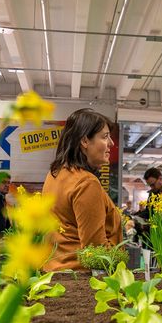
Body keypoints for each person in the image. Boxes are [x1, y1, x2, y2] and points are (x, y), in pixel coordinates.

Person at [42, 108, 123, 271]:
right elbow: (95, 252)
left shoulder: (55, 174)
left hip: (54, 272)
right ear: (85, 141)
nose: (111, 143)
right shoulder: (86, 183)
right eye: (105, 136)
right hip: (81, 278)